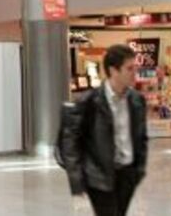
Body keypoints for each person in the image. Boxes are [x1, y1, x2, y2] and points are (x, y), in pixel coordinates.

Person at [57, 44, 149, 216]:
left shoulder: (137, 101)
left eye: (135, 68)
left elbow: (141, 137)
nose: (134, 73)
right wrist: (76, 180)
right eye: (129, 68)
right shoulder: (90, 102)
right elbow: (71, 143)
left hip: (127, 175)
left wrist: (139, 169)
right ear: (113, 70)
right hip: (99, 177)